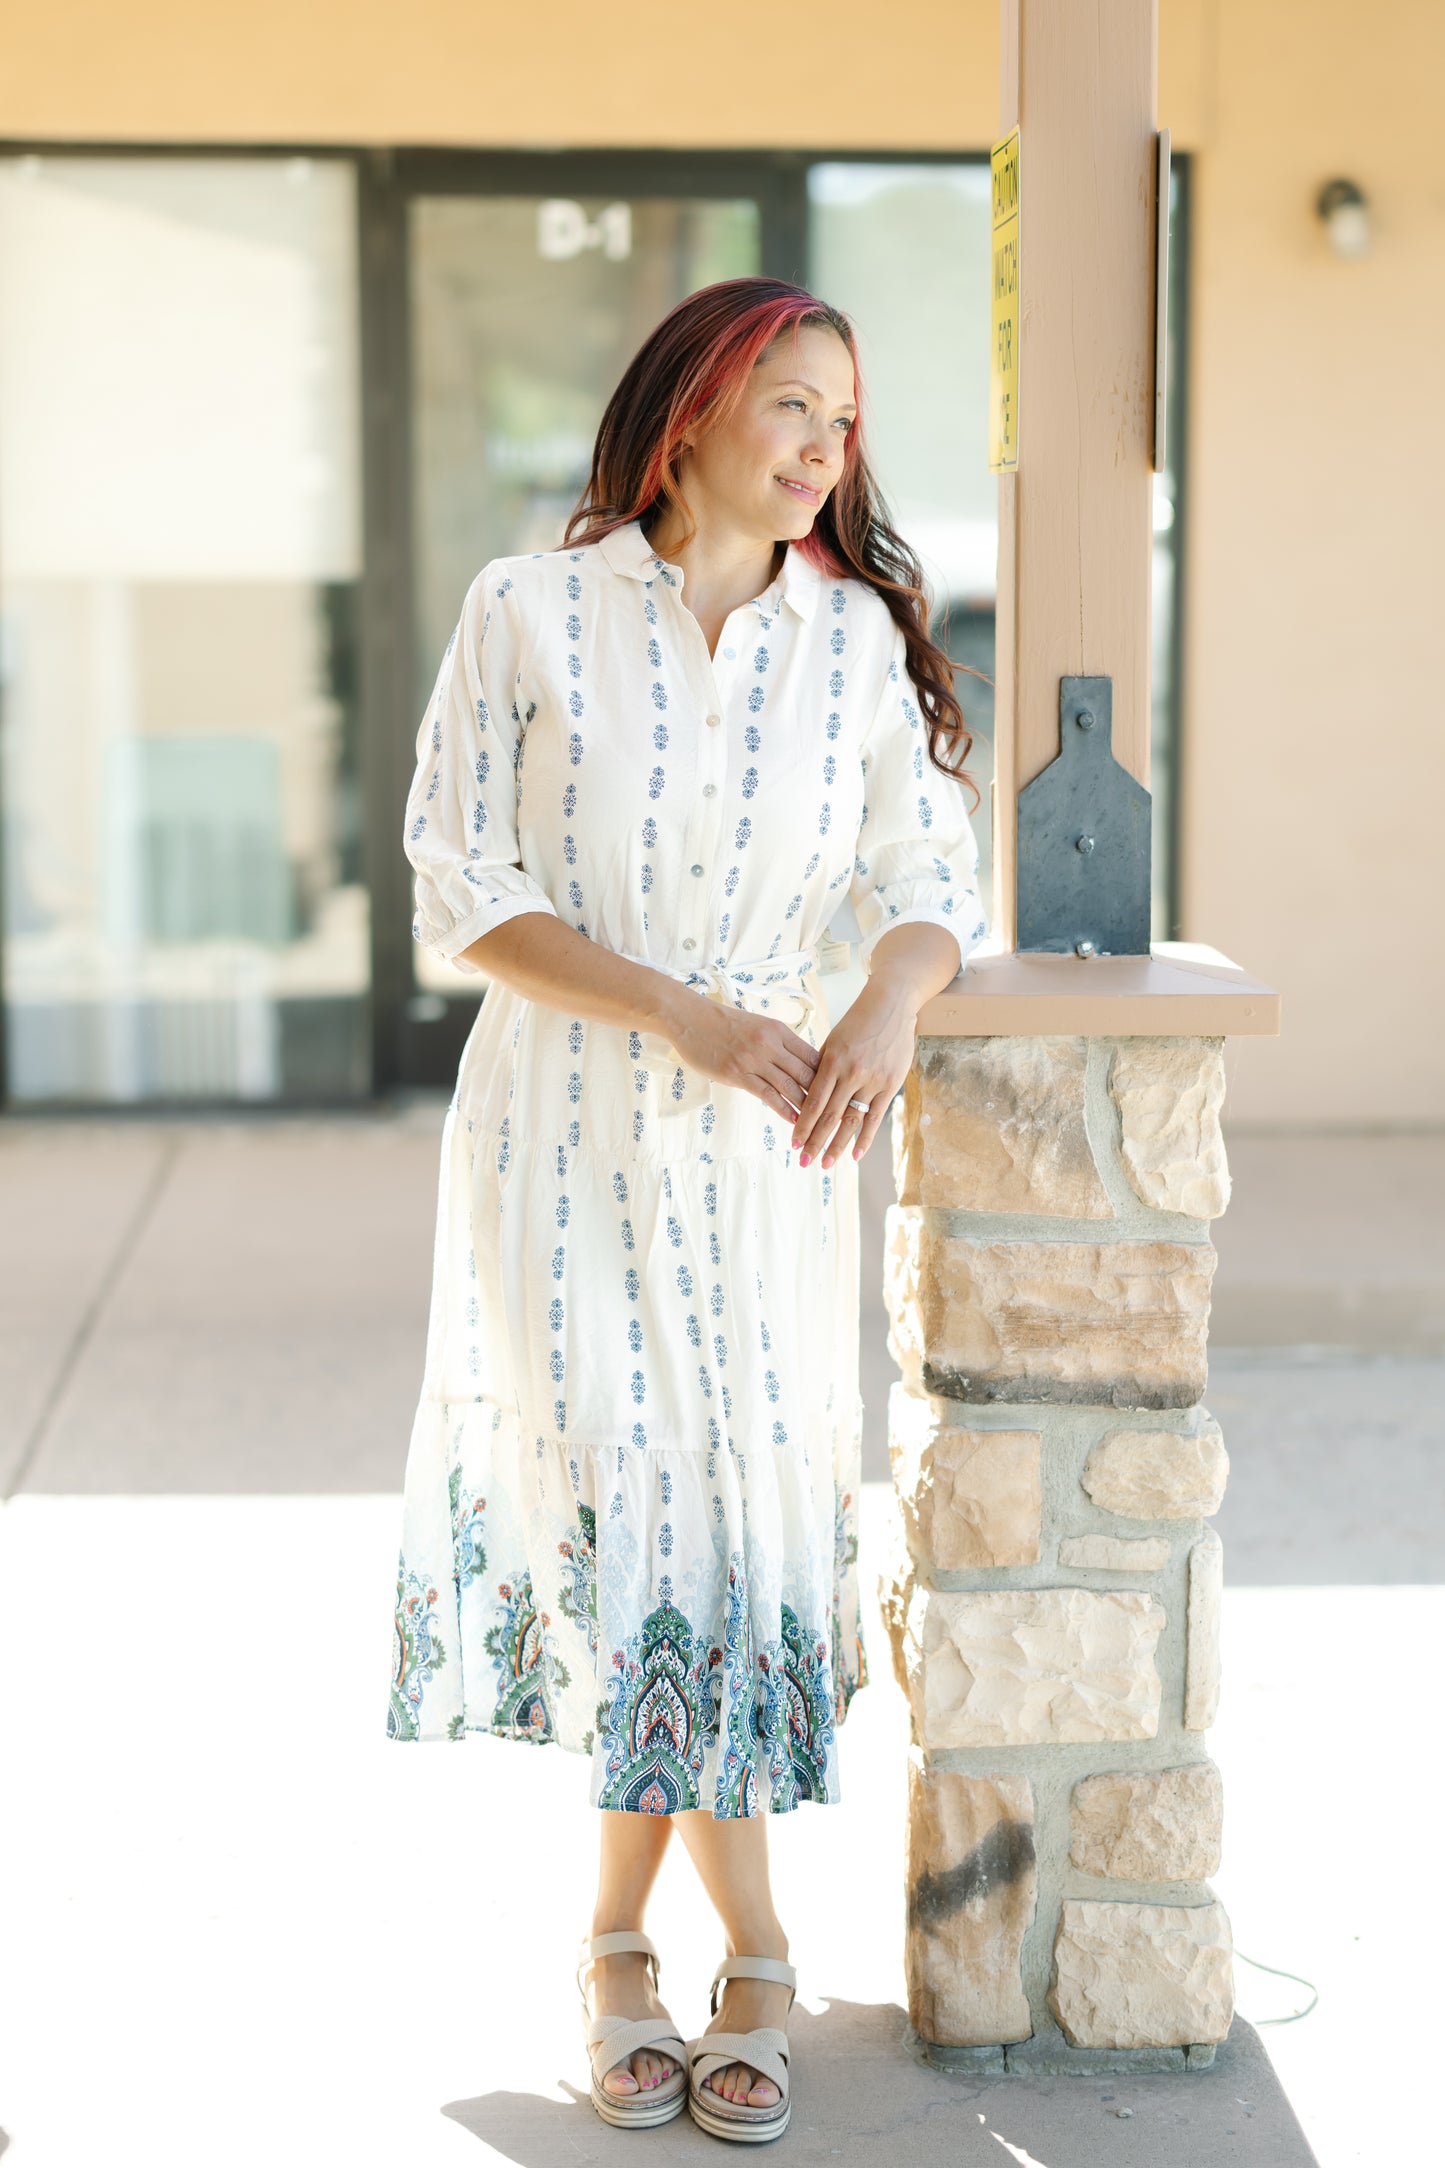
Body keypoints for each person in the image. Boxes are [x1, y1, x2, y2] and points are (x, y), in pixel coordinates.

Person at [388, 275, 986, 2143]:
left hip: (767, 1158)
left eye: (843, 420)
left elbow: (928, 872)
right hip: (564, 1133)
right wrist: (683, 1013)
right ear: (693, 408)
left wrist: (888, 1001)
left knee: (716, 1524)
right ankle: (748, 1956)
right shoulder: (527, 610)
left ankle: (620, 1954)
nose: (821, 448)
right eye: (791, 404)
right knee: (640, 1521)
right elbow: (460, 888)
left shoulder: (851, 643)